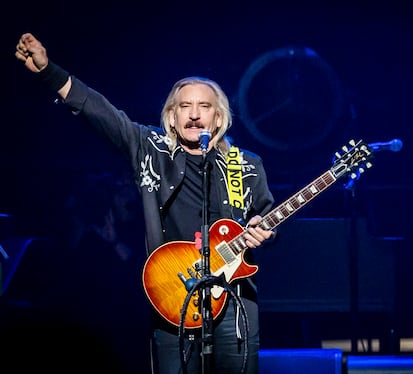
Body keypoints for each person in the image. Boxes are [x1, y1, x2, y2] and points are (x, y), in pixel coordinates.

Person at [15, 32, 276, 374]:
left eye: (204, 107)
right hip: (173, 295)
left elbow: (266, 217)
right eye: (185, 106)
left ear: (218, 118)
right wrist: (50, 71)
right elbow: (101, 113)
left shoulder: (247, 164)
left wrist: (264, 232)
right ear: (171, 115)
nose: (195, 115)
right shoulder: (149, 148)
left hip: (235, 302)